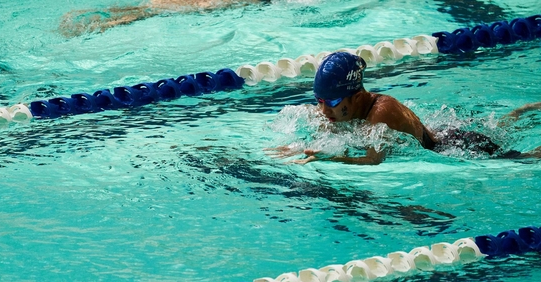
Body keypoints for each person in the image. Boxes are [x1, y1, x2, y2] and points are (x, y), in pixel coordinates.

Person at [266, 51, 541, 165]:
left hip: (453, 146)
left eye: (333, 103)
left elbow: (374, 160)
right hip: (442, 130)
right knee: (503, 128)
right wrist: (298, 146)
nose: (324, 110)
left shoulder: (381, 111)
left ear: (356, 95)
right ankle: (522, 112)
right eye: (320, 102)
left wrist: (333, 158)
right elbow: (323, 128)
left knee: (524, 158)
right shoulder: (334, 107)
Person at [59, 0, 269, 38]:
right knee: (140, 14)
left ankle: (83, 16)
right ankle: (102, 25)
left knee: (140, 9)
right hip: (191, 5)